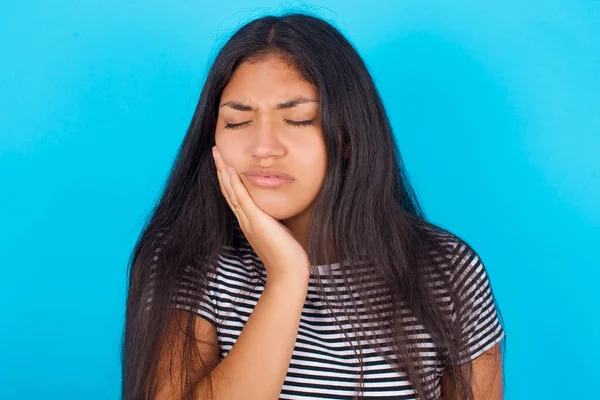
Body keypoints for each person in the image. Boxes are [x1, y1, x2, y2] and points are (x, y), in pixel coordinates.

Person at [121, 12, 505, 400]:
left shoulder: (446, 270)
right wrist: (287, 277)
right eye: (238, 122)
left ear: (350, 135)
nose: (263, 148)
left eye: (298, 119)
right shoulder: (188, 261)